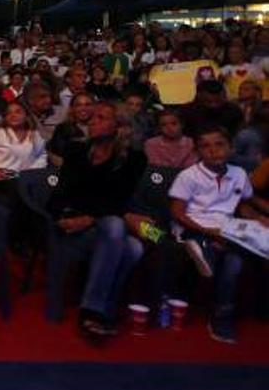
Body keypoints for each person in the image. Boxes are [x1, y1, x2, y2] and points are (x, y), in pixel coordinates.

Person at [46, 102, 148, 339]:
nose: (92, 121)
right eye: (91, 117)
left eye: (101, 117)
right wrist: (92, 215)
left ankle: (94, 309)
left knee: (134, 246)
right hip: (73, 226)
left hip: (101, 225)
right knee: (117, 226)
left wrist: (91, 216)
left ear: (119, 127)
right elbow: (66, 194)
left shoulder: (134, 159)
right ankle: (100, 310)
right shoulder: (76, 152)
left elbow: (118, 198)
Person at [168, 125, 267, 344]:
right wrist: (207, 231)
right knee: (216, 245)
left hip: (226, 227)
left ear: (231, 148)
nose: (213, 150)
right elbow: (177, 212)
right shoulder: (189, 176)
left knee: (235, 262)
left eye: (219, 144)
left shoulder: (238, 174)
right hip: (195, 225)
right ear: (197, 152)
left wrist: (260, 219)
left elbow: (244, 205)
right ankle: (202, 246)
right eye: (205, 146)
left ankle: (222, 314)